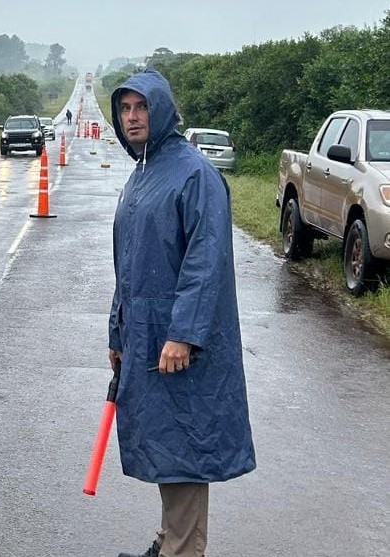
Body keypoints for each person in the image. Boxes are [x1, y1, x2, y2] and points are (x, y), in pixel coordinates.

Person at [106, 69, 256, 557]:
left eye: (141, 107)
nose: (132, 118)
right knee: (164, 444)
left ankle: (182, 549)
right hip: (146, 334)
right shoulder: (143, 173)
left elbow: (206, 261)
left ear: (162, 110)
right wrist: (118, 332)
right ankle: (168, 540)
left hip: (179, 343)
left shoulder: (194, 174)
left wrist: (184, 335)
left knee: (186, 448)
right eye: (125, 109)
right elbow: (128, 263)